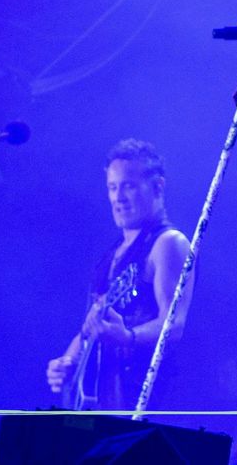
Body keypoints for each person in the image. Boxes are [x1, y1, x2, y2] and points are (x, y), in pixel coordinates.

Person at [46, 139, 193, 410]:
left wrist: (128, 337)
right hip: (105, 402)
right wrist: (68, 362)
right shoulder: (113, 253)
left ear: (158, 186)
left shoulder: (168, 243)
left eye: (128, 186)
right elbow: (93, 327)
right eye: (112, 188)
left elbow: (174, 324)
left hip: (146, 402)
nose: (118, 198)